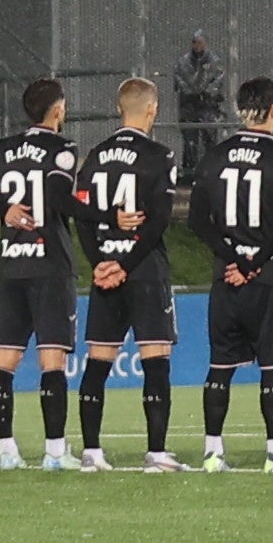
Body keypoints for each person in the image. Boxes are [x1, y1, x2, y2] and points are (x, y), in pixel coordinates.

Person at [192, 76, 273, 470]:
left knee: (220, 367)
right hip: (269, 278)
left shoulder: (214, 156)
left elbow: (197, 221)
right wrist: (253, 262)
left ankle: (212, 452)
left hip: (225, 279)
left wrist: (232, 258)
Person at [77, 77, 186, 472]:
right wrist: (125, 264)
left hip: (106, 271)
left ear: (119, 108)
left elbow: (83, 217)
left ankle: (92, 451)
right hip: (143, 271)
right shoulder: (160, 156)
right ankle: (156, 453)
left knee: (99, 361)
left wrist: (100, 263)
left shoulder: (96, 155)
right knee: (156, 359)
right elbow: (157, 224)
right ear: (153, 109)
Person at [0, 78, 85, 470]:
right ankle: (55, 453)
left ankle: (7, 451)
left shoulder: (3, 150)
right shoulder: (63, 149)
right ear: (57, 110)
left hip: (12, 262)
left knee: (3, 360)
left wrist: (2, 208)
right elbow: (59, 198)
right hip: (50, 263)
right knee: (52, 361)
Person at [174, 35, 229, 173]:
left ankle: (211, 170)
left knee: (210, 138)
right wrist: (193, 92)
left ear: (206, 43)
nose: (198, 45)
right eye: (195, 42)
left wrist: (207, 92)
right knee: (190, 141)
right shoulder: (183, 62)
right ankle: (189, 171)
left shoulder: (214, 62)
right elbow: (180, 81)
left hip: (208, 105)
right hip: (189, 105)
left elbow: (218, 81)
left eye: (201, 42)